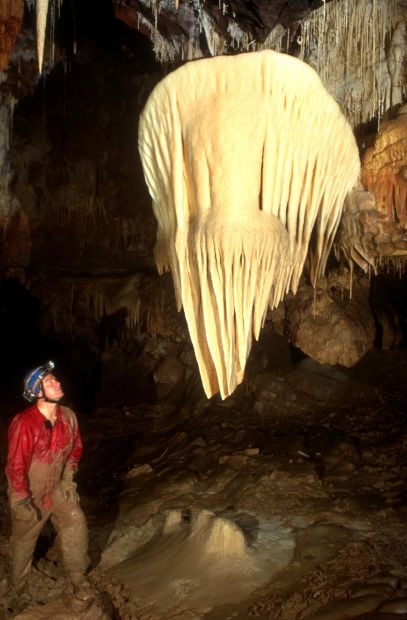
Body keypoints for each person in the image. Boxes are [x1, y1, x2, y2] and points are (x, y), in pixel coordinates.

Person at [5, 360, 90, 600]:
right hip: (30, 493)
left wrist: (68, 480)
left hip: (56, 489)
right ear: (38, 393)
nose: (58, 382)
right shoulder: (24, 423)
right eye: (50, 382)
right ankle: (17, 590)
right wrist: (21, 500)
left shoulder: (69, 417)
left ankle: (78, 579)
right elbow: (15, 466)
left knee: (76, 523)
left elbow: (76, 450)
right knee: (24, 541)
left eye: (56, 379)